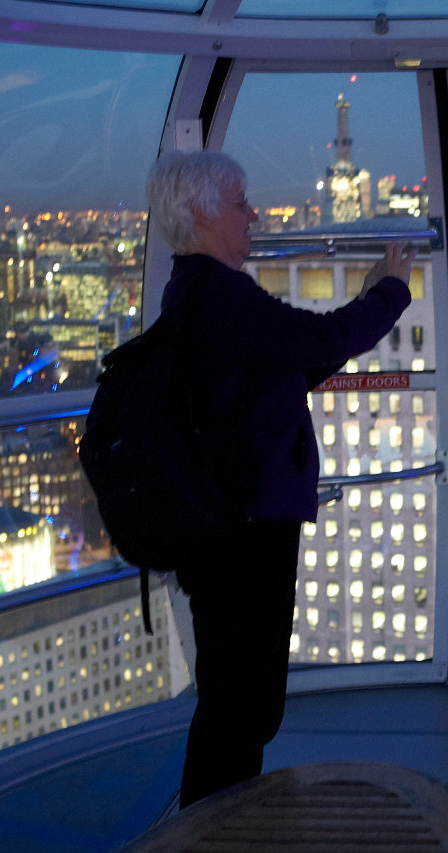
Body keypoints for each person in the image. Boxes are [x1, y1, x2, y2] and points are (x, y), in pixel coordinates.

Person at [144, 150, 414, 808]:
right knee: (240, 700)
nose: (255, 216)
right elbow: (319, 339)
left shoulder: (193, 290)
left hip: (227, 523)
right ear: (205, 212)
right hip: (247, 527)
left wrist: (363, 307)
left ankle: (218, 827)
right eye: (241, 204)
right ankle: (216, 834)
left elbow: (288, 365)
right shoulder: (223, 296)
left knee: (236, 694)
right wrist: (390, 292)